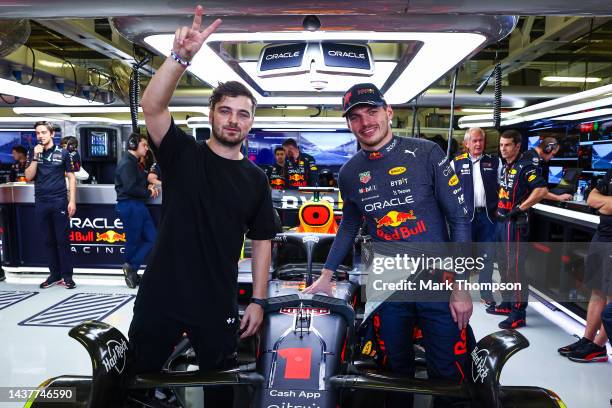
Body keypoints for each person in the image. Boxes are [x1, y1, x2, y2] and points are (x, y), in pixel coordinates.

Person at [135, 5, 276, 405]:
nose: (234, 120)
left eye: (243, 115)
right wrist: (180, 58)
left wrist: (259, 300)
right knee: (138, 383)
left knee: (220, 392)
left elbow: (263, 239)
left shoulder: (255, 179)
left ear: (250, 123)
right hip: (161, 294)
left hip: (216, 301)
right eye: (226, 111)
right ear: (212, 114)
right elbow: (153, 107)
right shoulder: (182, 155)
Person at [305, 83, 473, 408]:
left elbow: (460, 219)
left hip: (440, 283)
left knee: (448, 376)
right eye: (355, 116)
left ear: (389, 112)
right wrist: (326, 274)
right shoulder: (349, 173)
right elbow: (349, 226)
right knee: (393, 374)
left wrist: (462, 286)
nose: (365, 121)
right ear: (349, 124)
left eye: (372, 111)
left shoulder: (427, 153)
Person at [489, 130, 547, 329]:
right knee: (503, 265)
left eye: (507, 145)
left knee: (515, 269)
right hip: (501, 222)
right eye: (501, 145)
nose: (503, 149)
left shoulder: (526, 166)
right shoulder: (506, 166)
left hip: (515, 224)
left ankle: (518, 312)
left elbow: (541, 190)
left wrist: (519, 209)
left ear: (517, 146)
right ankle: (507, 303)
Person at [558, 168, 611, 362]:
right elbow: (591, 198)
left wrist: (603, 203)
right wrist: (607, 203)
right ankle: (587, 340)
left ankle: (599, 346)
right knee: (597, 289)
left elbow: (600, 201)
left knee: (610, 295)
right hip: (602, 233)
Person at [451, 127, 500, 307]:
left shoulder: (495, 162)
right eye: (474, 141)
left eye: (481, 140)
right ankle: (460, 292)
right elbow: (449, 191)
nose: (478, 144)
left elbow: (503, 187)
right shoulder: (455, 163)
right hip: (465, 219)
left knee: (487, 257)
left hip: (487, 217)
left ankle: (486, 294)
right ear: (466, 143)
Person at [25, 121, 77, 289]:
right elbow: (28, 176)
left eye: (43, 132)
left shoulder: (63, 153)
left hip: (59, 201)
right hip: (41, 201)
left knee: (63, 240)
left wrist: (72, 200)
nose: (40, 136)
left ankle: (67, 276)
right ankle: (54, 275)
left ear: (52, 134)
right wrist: (35, 157)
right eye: (38, 133)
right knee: (48, 241)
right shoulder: (33, 153)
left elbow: (71, 177)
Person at [114, 133, 158, 289]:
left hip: (138, 205)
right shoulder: (127, 163)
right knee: (133, 241)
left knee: (152, 238)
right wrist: (149, 192)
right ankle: (131, 270)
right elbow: (130, 188)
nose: (146, 148)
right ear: (133, 145)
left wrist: (147, 187)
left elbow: (137, 183)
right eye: (144, 145)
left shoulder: (134, 163)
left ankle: (131, 268)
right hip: (130, 205)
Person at [522, 137, 573, 202]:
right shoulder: (533, 159)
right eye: (553, 154)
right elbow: (538, 190)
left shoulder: (529, 155)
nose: (552, 157)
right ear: (547, 149)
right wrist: (558, 197)